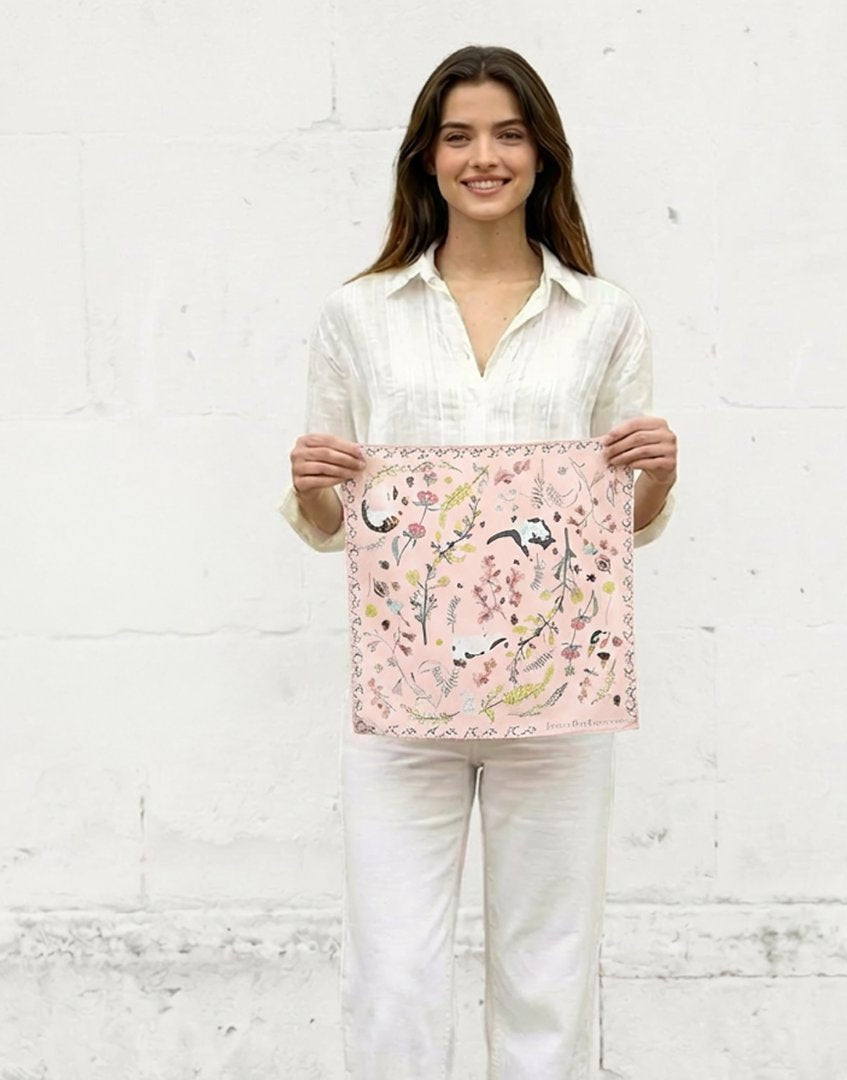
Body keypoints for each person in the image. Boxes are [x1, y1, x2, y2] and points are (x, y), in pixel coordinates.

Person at [278, 44, 677, 1080]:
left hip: (558, 696)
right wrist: (315, 481)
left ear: (543, 154)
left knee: (549, 966)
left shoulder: (603, 316)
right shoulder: (358, 315)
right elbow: (329, 519)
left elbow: (621, 522)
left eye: (507, 134)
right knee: (393, 969)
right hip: (405, 696)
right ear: (427, 157)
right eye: (458, 136)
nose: (483, 157)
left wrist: (657, 476)